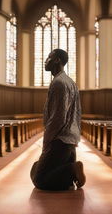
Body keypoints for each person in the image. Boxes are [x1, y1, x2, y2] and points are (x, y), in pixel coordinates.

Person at [30, 48, 86, 191]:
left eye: (49, 57)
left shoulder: (59, 83)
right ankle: (70, 172)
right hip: (70, 140)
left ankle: (72, 169)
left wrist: (47, 139)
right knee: (41, 171)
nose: (45, 61)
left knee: (39, 179)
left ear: (57, 60)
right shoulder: (71, 82)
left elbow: (58, 118)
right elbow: (78, 113)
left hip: (59, 140)